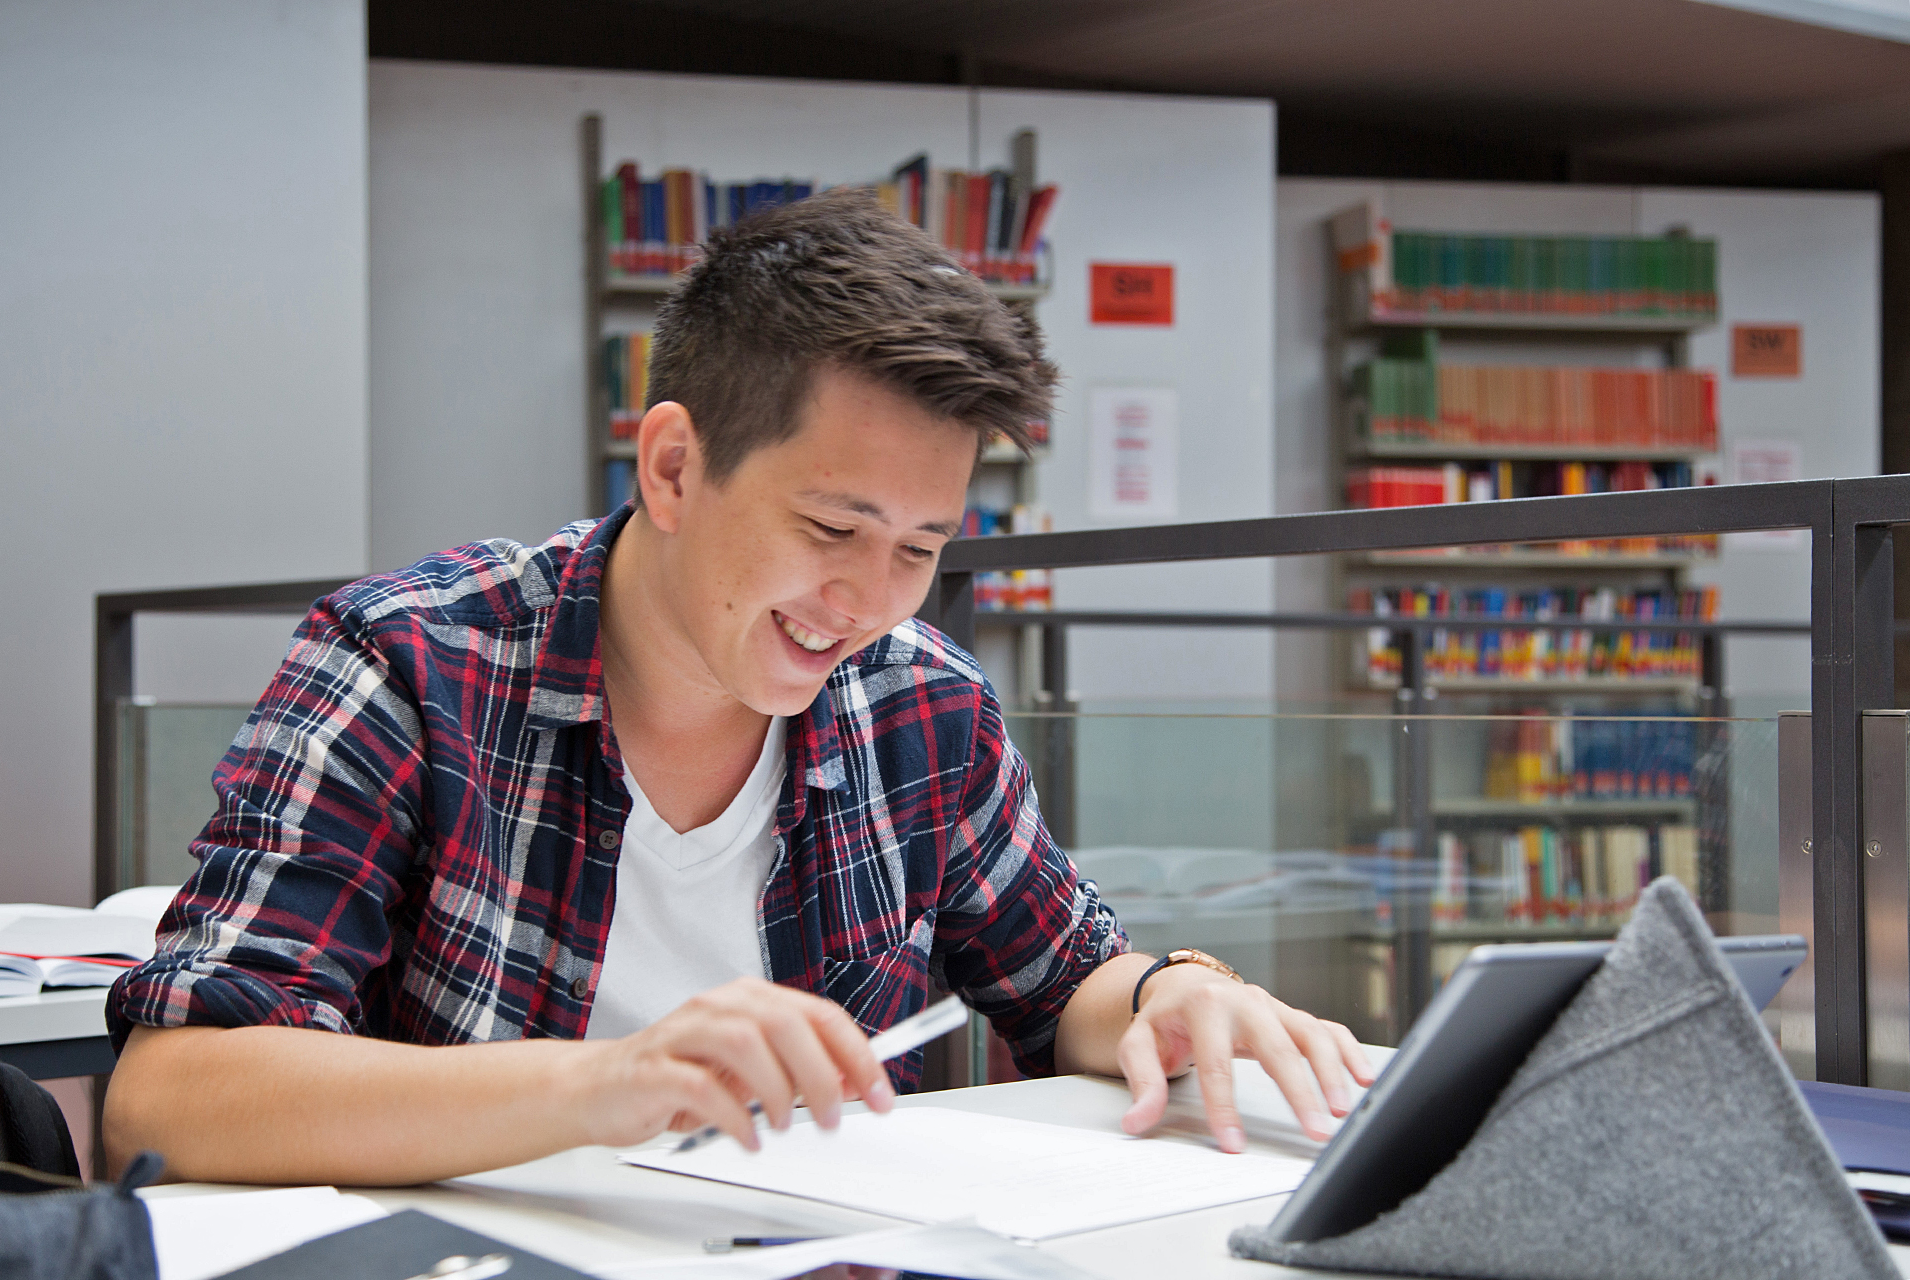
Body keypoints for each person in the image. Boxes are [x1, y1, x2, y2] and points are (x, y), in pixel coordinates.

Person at [103, 190, 1372, 1185]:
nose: (873, 599)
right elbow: (177, 1091)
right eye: (831, 527)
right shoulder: (406, 666)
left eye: (922, 549)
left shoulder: (920, 700)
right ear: (671, 464)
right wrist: (607, 1085)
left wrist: (1172, 993)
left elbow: (1061, 979)